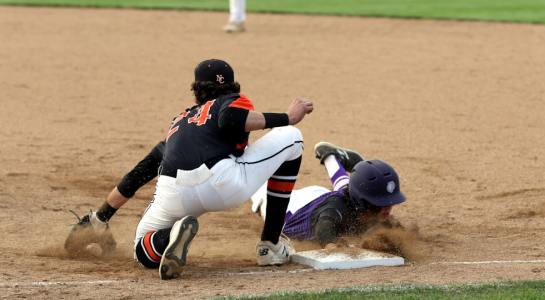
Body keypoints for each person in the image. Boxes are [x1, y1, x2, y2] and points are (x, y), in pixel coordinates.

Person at [67, 59, 313, 280]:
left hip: (173, 191)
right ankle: (270, 245)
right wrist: (287, 117)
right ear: (232, 86)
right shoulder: (229, 101)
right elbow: (230, 119)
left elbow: (138, 175)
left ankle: (167, 238)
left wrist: (101, 217)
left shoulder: (180, 121)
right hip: (221, 182)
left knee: (141, 250)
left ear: (196, 90)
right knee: (292, 137)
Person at [251, 142, 406, 247]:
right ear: (364, 202)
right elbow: (326, 233)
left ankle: (330, 155)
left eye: (390, 201)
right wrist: (334, 246)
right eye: (380, 202)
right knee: (258, 190)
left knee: (345, 186)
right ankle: (243, 156)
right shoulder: (332, 212)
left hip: (322, 196)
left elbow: (398, 233)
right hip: (289, 209)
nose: (388, 207)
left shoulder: (358, 200)